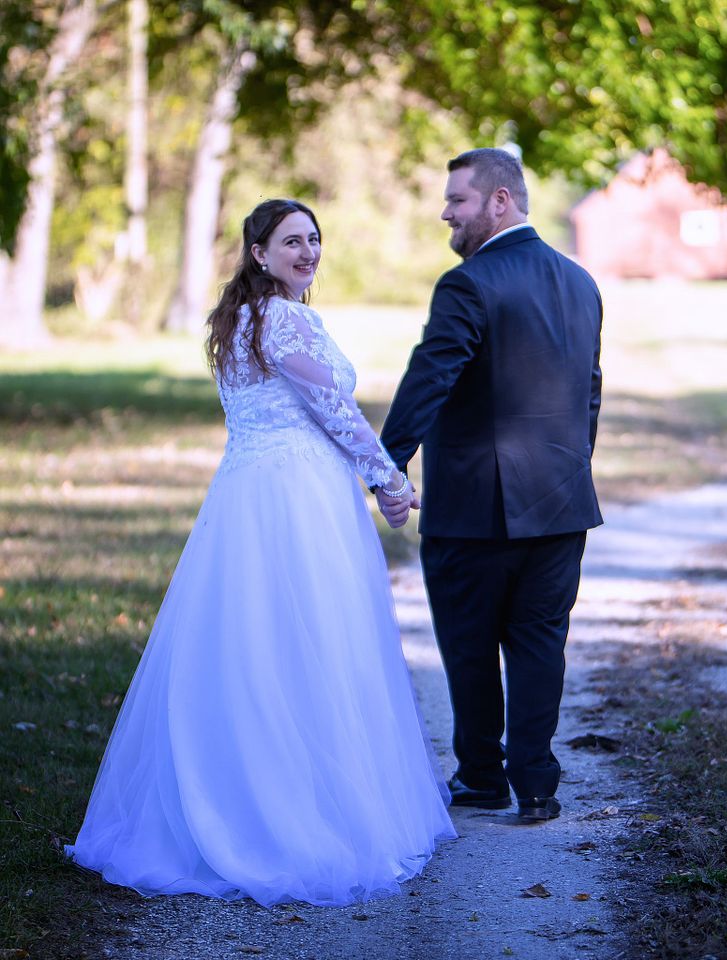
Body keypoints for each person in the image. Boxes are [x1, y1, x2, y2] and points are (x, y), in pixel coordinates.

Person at [66, 199, 455, 906]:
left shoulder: (239, 320)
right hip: (294, 501)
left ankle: (247, 794)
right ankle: (296, 818)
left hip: (247, 495)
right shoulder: (285, 318)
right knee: (310, 644)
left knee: (251, 645)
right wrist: (390, 480)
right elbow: (331, 410)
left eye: (314, 240)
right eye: (291, 242)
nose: (307, 253)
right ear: (259, 253)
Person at [379, 148, 603, 824]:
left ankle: (481, 776)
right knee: (540, 645)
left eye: (458, 199)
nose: (446, 211)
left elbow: (430, 378)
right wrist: (572, 467)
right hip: (562, 504)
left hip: (475, 508)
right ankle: (535, 785)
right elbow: (589, 393)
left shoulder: (467, 283)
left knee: (471, 647)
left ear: (499, 201)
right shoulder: (581, 280)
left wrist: (384, 462)